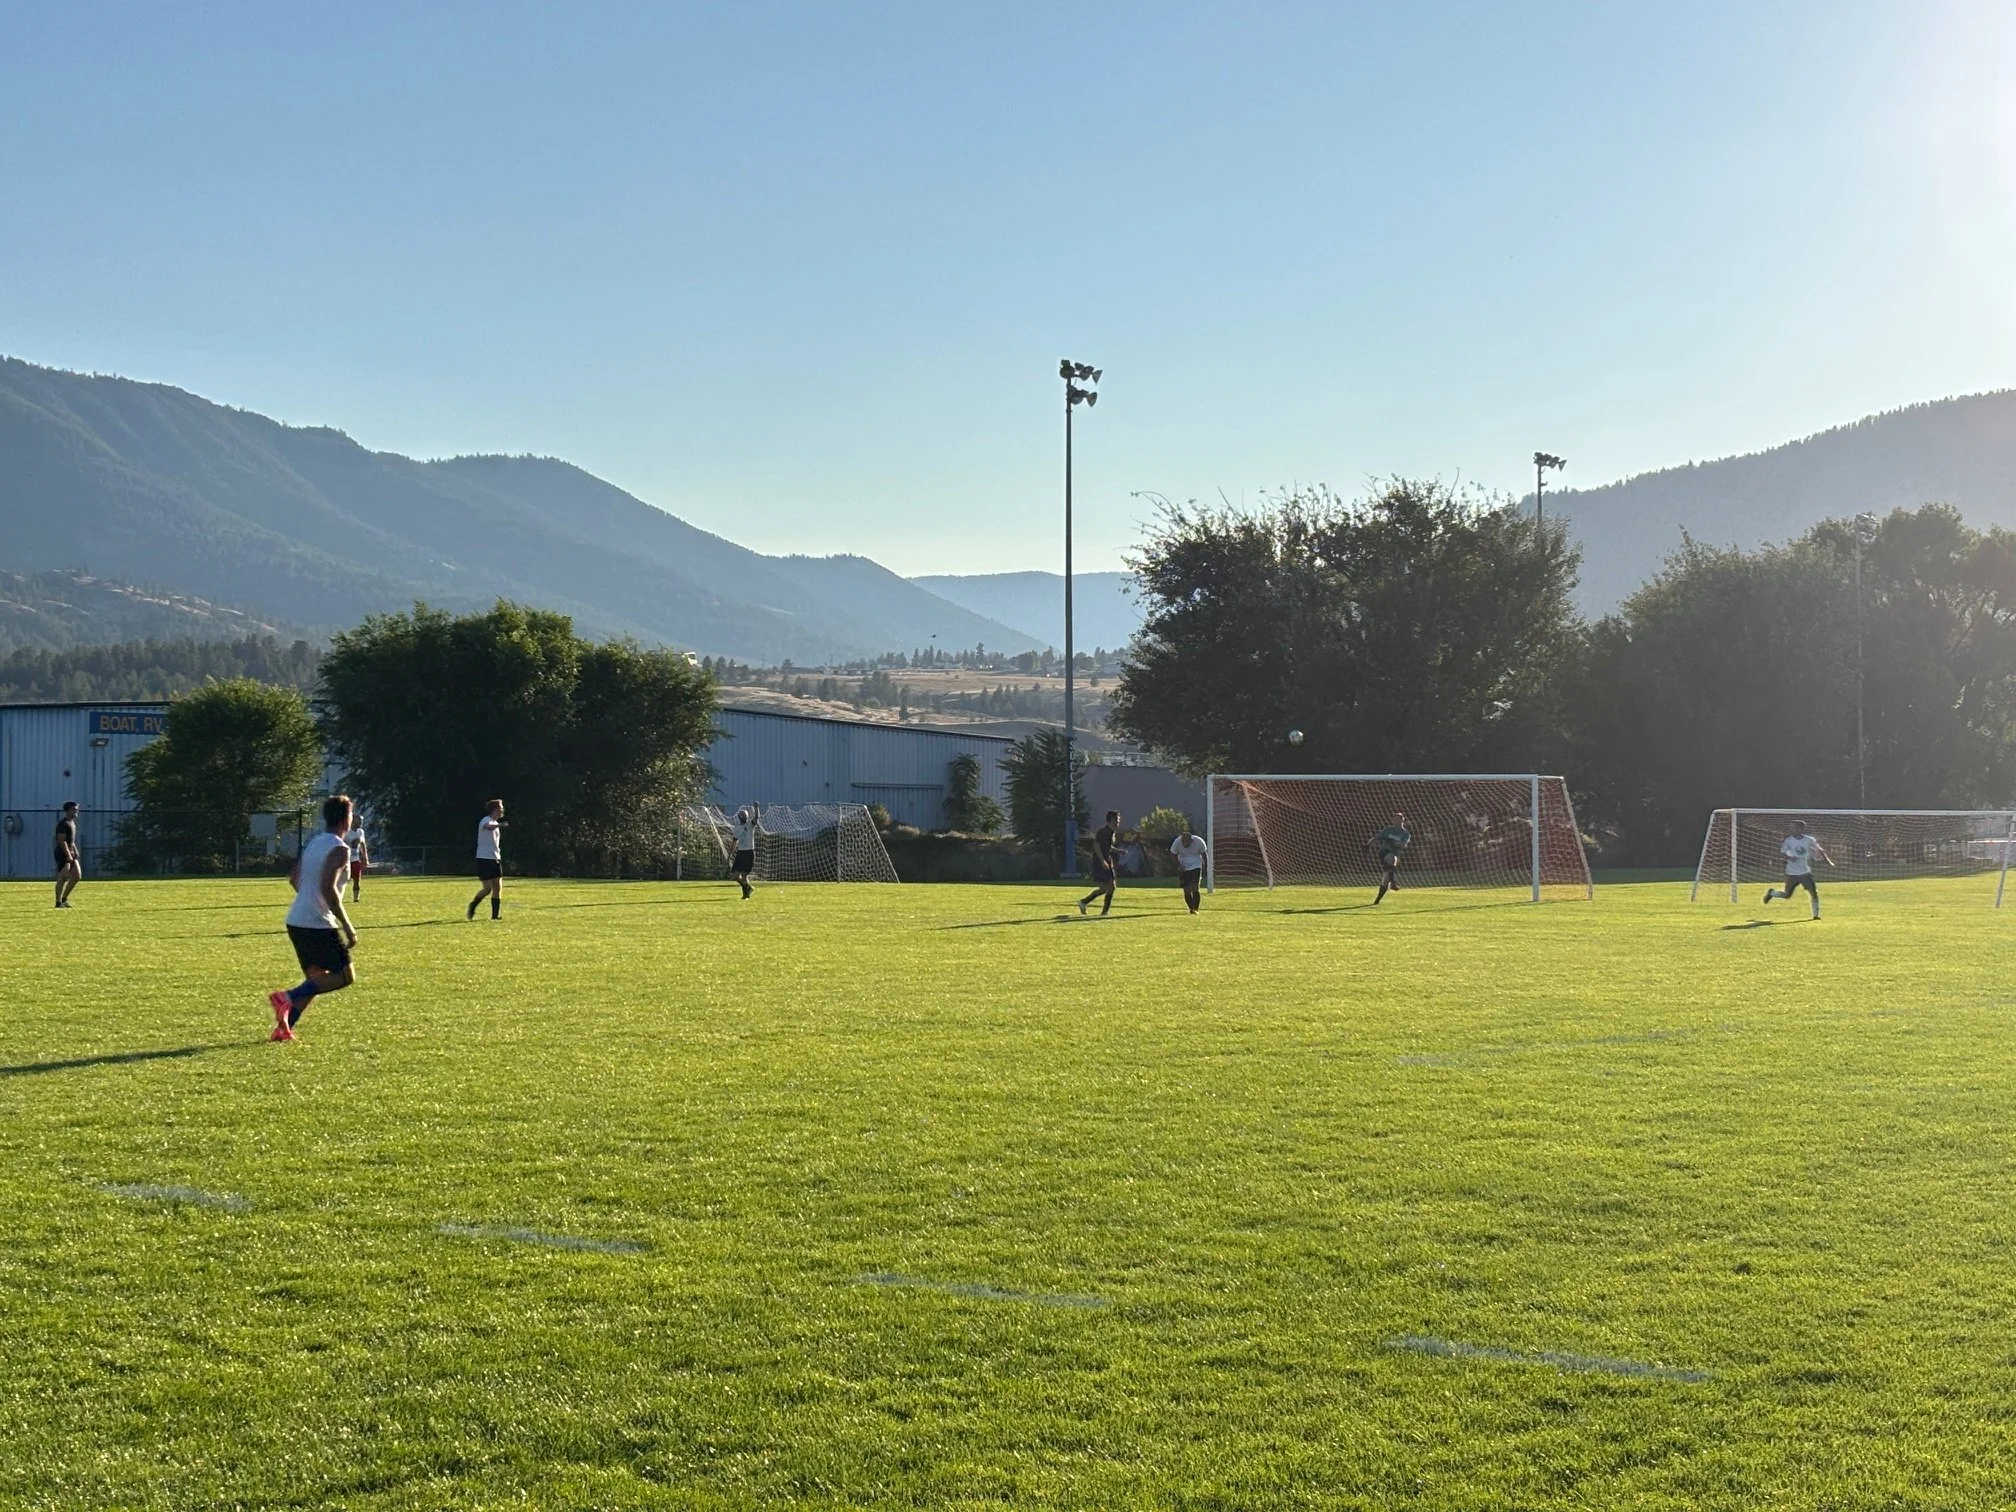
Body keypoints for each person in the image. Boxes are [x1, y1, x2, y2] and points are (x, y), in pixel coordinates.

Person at [268, 794, 360, 1042]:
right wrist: (348, 926)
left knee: (317, 978)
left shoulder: (315, 842)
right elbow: (328, 889)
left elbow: (294, 879)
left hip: (296, 920)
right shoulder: (340, 850)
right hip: (317, 923)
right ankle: (287, 997)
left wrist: (308, 901)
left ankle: (283, 1030)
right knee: (344, 976)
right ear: (345, 819)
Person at [1763, 819, 1832, 918]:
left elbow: (1820, 849)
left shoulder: (1809, 840)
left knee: (1814, 893)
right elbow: (1781, 853)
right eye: (1792, 827)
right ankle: (1771, 893)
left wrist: (1828, 861)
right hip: (1791, 872)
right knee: (1787, 895)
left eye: (1795, 827)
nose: (1792, 829)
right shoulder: (1788, 840)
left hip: (1805, 872)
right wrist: (1789, 857)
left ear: (1801, 829)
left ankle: (1816, 916)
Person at [1078, 810, 1123, 917]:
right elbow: (1096, 846)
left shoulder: (1111, 833)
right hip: (1101, 862)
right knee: (1110, 887)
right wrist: (1102, 861)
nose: (1118, 822)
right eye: (1117, 820)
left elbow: (1107, 847)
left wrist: (1118, 851)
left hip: (1107, 861)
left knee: (1106, 888)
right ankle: (1103, 912)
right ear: (1111, 820)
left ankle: (1084, 902)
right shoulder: (1103, 832)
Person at [468, 799, 505, 921]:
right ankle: (473, 905)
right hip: (484, 858)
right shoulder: (486, 820)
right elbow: (488, 827)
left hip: (495, 858)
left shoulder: (495, 823)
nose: (502, 810)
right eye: (500, 807)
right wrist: (500, 825)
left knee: (498, 887)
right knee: (487, 889)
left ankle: (495, 916)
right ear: (495, 809)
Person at [1372, 811, 1412, 904]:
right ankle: (1393, 882)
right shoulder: (1388, 829)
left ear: (1403, 820)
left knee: (1386, 879)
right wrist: (1367, 845)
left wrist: (1394, 842)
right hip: (1384, 853)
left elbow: (1403, 845)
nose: (1395, 821)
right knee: (1392, 858)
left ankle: (1377, 900)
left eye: (1397, 819)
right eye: (1394, 819)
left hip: (1394, 854)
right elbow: (1377, 837)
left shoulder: (1405, 833)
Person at [1169, 819, 1208, 914]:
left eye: (1187, 842)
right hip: (1183, 866)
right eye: (1184, 842)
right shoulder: (1177, 842)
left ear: (1191, 841)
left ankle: (1196, 909)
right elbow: (1173, 855)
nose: (1185, 844)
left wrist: (1205, 864)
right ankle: (1191, 908)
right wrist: (1178, 865)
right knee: (1186, 890)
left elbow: (1203, 854)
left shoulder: (1199, 842)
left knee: (1195, 888)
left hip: (1196, 865)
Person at [53, 801, 82, 908]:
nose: (77, 811)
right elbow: (62, 841)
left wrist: (75, 850)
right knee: (63, 876)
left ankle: (64, 899)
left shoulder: (72, 823)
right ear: (68, 810)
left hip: (71, 851)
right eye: (74, 809)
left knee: (77, 876)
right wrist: (68, 855)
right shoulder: (63, 824)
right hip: (63, 852)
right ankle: (58, 902)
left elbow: (71, 840)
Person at [730, 805, 758, 899]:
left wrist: (756, 808)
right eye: (742, 815)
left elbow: (756, 818)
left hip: (749, 852)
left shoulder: (750, 825)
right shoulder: (737, 828)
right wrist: (730, 853)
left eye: (745, 815)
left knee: (744, 875)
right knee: (734, 876)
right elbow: (735, 841)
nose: (743, 816)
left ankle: (745, 894)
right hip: (740, 853)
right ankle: (748, 888)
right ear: (739, 817)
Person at [343, 815, 370, 903]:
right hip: (346, 860)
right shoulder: (346, 832)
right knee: (343, 879)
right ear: (353, 821)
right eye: (359, 821)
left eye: (362, 821)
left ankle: (356, 898)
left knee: (357, 879)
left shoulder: (360, 832)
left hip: (355, 859)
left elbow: (362, 844)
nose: (361, 823)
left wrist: (365, 857)